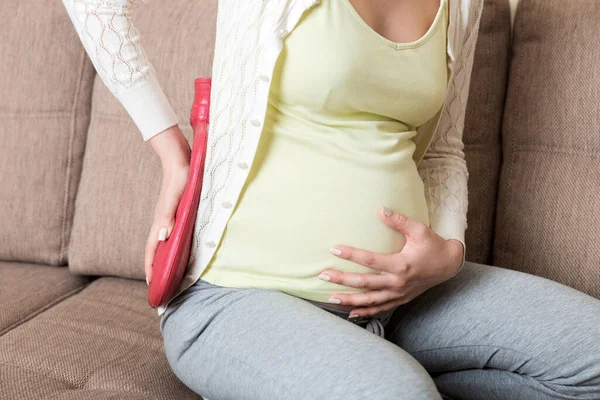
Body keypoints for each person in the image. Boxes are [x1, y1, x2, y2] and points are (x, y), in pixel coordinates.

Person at [60, 0, 600, 399]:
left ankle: (359, 366)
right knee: (398, 394)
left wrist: (448, 251)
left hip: (406, 300)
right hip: (238, 297)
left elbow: (442, 151)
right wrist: (171, 151)